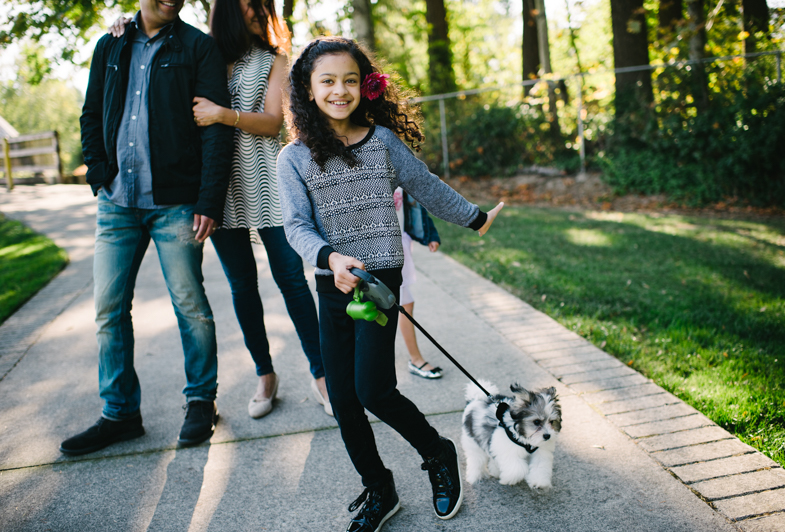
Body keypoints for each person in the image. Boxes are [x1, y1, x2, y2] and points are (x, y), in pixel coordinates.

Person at [277, 37, 503, 532]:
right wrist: (330, 257)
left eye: (350, 80)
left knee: (373, 389)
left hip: (380, 281)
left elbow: (424, 186)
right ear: (308, 90)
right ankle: (380, 487)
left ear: (365, 85)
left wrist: (475, 217)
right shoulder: (293, 158)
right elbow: (295, 226)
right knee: (342, 399)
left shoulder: (381, 142)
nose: (340, 90)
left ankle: (437, 453)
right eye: (328, 81)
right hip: (331, 283)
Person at [109, 0, 332, 420]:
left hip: (267, 184)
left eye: (264, 5)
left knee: (292, 281)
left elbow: (272, 123)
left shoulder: (274, 59)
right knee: (242, 286)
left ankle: (322, 376)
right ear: (229, 8)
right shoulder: (199, 51)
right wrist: (125, 24)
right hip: (221, 188)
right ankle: (265, 375)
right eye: (251, 4)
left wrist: (222, 115)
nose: (259, 11)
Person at [60, 0, 234, 456]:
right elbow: (91, 113)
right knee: (108, 310)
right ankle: (119, 414)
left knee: (190, 304)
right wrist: (99, 173)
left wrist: (208, 199)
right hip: (116, 203)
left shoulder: (198, 47)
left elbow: (217, 130)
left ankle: (201, 400)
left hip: (175, 204)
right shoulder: (109, 45)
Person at [394, 188, 444, 379]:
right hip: (376, 249)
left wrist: (430, 233)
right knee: (387, 305)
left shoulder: (395, 165)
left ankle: (415, 359)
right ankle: (413, 359)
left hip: (399, 245)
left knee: (406, 303)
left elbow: (414, 201)